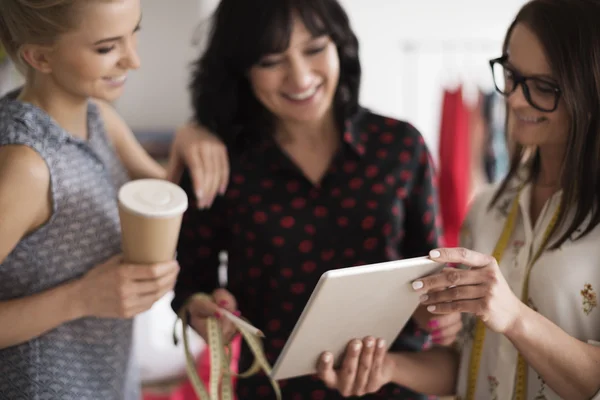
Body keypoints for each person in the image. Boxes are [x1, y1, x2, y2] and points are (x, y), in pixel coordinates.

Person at [170, 0, 462, 398]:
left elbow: (429, 271)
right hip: (273, 389)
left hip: (393, 383)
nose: (300, 77)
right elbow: (189, 286)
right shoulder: (218, 161)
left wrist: (440, 313)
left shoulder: (399, 146)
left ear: (340, 46)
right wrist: (204, 311)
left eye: (314, 49)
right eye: (272, 60)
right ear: (242, 69)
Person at [315, 0, 600, 399]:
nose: (515, 100)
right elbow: (469, 364)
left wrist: (514, 317)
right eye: (513, 76)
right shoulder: (488, 209)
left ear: (589, 89)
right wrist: (387, 368)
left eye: (543, 87)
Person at [0, 1, 214, 398]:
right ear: (40, 56)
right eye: (106, 48)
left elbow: (174, 195)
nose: (133, 60)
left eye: (135, 33)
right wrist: (81, 297)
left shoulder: (97, 116)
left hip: (108, 380)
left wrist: (192, 135)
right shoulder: (25, 166)